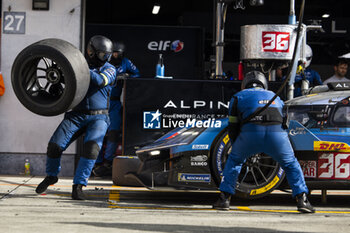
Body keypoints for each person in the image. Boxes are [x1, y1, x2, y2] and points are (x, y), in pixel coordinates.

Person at [212, 71, 315, 213]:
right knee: (291, 164)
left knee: (234, 161)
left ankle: (224, 200)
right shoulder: (276, 96)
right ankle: (302, 199)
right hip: (277, 135)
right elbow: (285, 122)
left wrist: (237, 146)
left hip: (250, 134)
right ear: (264, 84)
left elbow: (233, 126)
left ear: (245, 84)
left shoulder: (238, 97)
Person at [35, 35, 117, 200]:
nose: (106, 58)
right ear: (91, 52)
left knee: (91, 148)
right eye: (102, 55)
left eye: (107, 55)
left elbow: (101, 81)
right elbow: (59, 85)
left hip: (99, 117)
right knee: (54, 146)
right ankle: (51, 175)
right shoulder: (76, 66)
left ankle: (78, 186)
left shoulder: (110, 69)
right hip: (76, 115)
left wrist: (77, 67)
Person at [92, 41, 140, 177]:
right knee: (97, 133)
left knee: (113, 133)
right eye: (113, 52)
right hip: (100, 101)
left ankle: (108, 161)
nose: (115, 55)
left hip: (114, 102)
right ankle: (97, 161)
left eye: (117, 52)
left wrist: (127, 77)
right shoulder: (103, 62)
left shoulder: (125, 62)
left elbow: (137, 74)